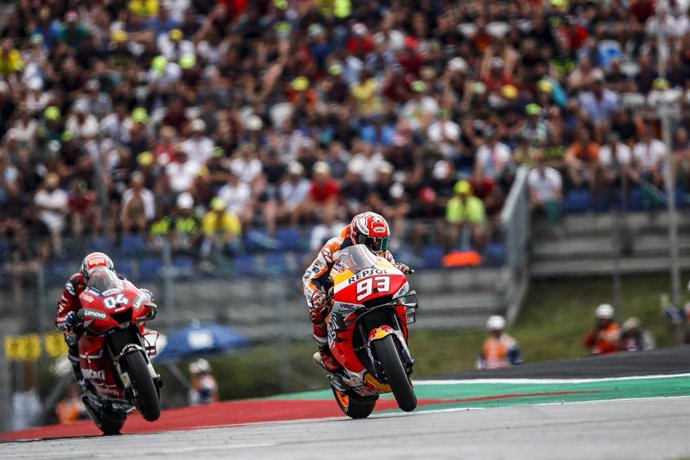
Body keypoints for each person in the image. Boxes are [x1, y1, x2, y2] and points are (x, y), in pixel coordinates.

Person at [302, 212, 411, 372]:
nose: (376, 246)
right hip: (339, 292)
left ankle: (398, 332)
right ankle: (325, 351)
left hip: (372, 289)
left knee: (398, 296)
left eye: (381, 242)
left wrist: (398, 267)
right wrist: (317, 294)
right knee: (316, 311)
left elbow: (390, 268)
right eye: (371, 241)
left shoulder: (381, 251)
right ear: (357, 236)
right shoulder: (333, 247)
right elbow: (310, 278)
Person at [55, 252, 157, 391]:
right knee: (72, 340)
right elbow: (60, 317)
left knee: (135, 319)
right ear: (84, 277)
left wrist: (144, 295)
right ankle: (83, 381)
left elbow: (132, 292)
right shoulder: (73, 285)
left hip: (108, 315)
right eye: (93, 278)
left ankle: (140, 360)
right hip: (84, 321)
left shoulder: (119, 280)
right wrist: (69, 318)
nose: (100, 280)